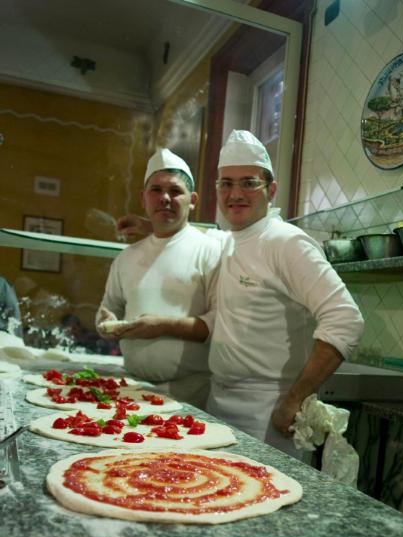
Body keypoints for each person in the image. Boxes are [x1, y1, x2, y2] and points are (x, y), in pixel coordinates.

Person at [116, 131, 364, 456]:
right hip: (218, 403)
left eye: (248, 183)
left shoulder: (286, 243)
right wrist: (153, 226)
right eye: (226, 183)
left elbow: (346, 319)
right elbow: (201, 234)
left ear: (271, 190)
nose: (235, 194)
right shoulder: (230, 240)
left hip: (269, 413)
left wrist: (295, 399)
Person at [96, 148, 222, 406]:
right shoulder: (127, 257)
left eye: (175, 191)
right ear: (143, 198)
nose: (165, 198)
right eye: (156, 190)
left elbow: (221, 323)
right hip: (129, 390)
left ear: (193, 199)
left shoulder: (210, 251)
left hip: (192, 395)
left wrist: (163, 325)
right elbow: (109, 306)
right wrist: (104, 320)